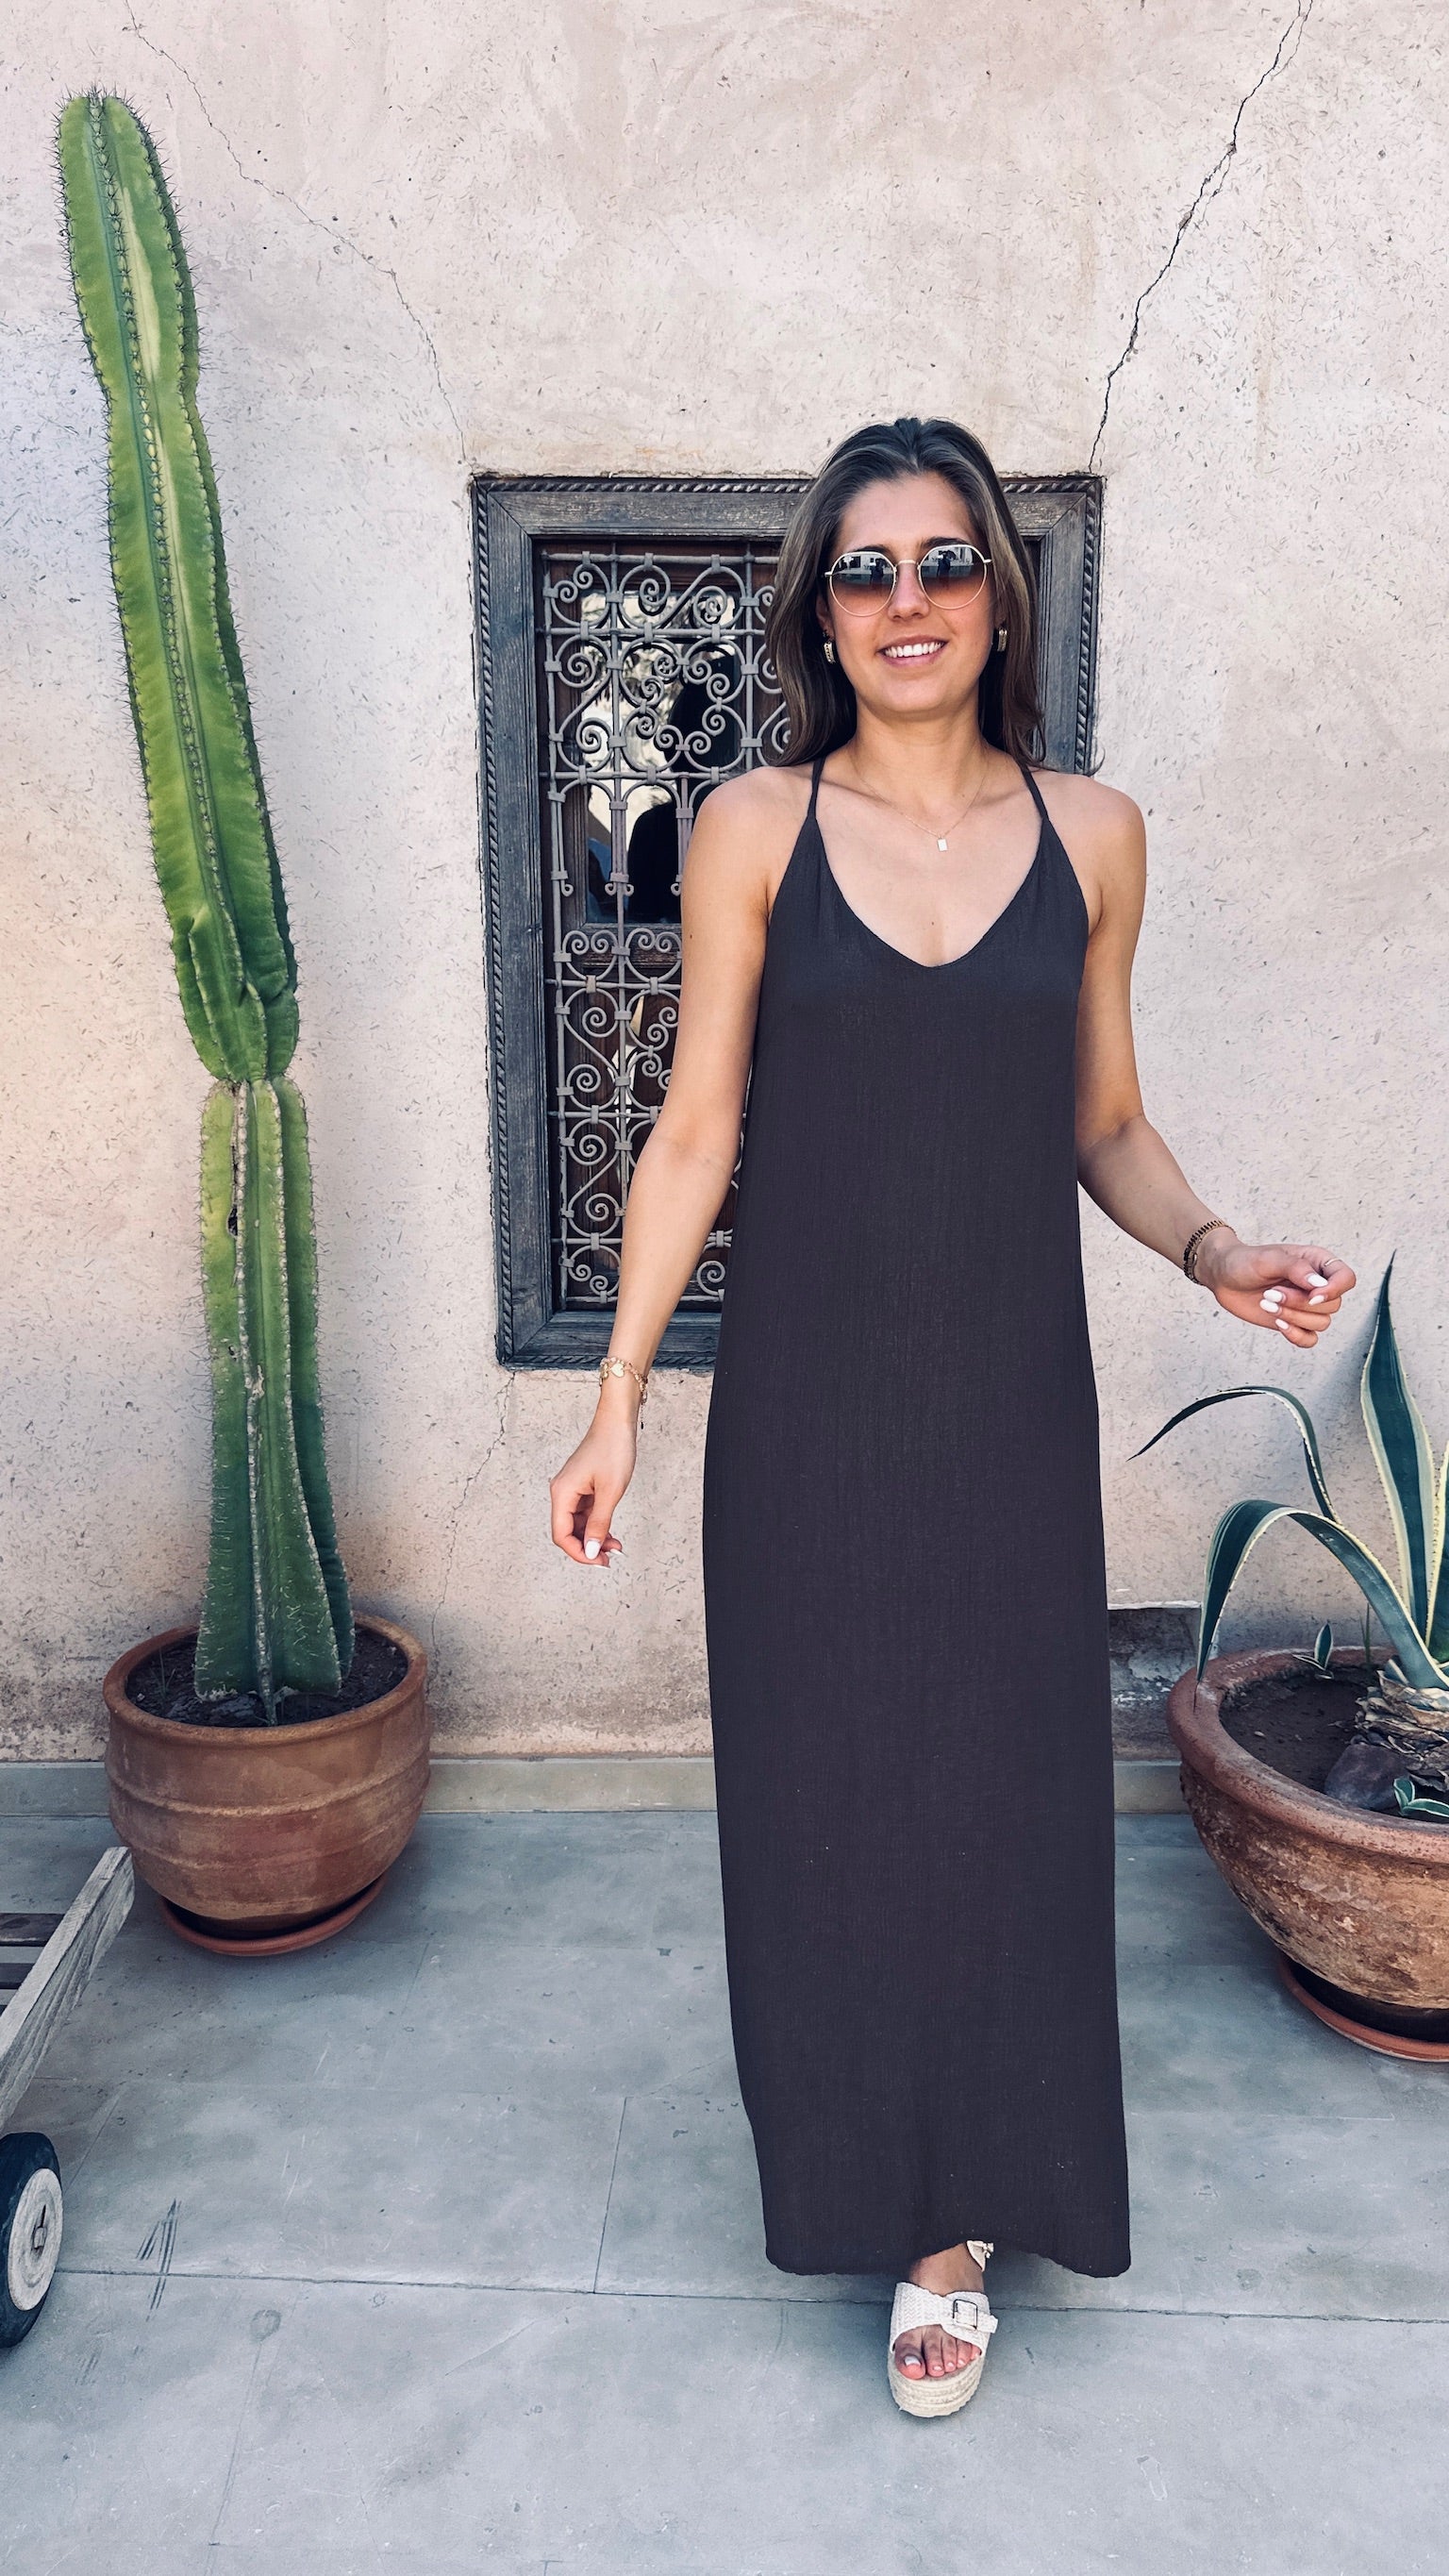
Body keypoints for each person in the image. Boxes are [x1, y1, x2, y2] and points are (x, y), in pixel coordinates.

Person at [549, 416, 1357, 2417]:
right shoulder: (752, 828)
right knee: (826, 1795)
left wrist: (1216, 1245)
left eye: (941, 562)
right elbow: (694, 1134)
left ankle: (962, 2218)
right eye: (864, 568)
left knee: (998, 1796)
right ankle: (861, 2174)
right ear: (820, 611)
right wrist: (620, 1398)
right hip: (805, 1410)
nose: (904, 601)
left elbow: (1106, 1120)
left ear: (999, 594)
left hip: (1004, 1404)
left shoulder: (1098, 835)